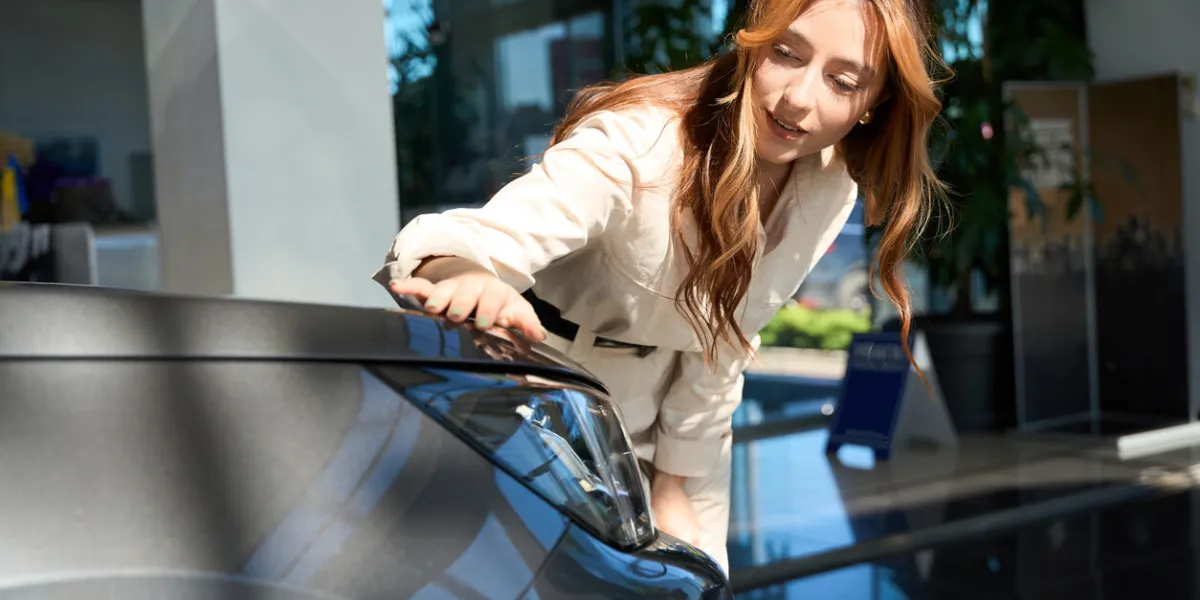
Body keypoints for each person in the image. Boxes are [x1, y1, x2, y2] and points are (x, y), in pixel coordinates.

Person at [373, 0, 945, 573]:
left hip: (685, 432)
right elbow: (473, 240)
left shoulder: (829, 185)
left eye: (843, 82)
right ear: (750, 40)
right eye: (785, 53)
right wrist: (464, 275)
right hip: (544, 398)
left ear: (875, 104)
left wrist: (673, 482)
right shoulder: (642, 142)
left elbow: (724, 339)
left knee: (698, 575)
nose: (798, 97)